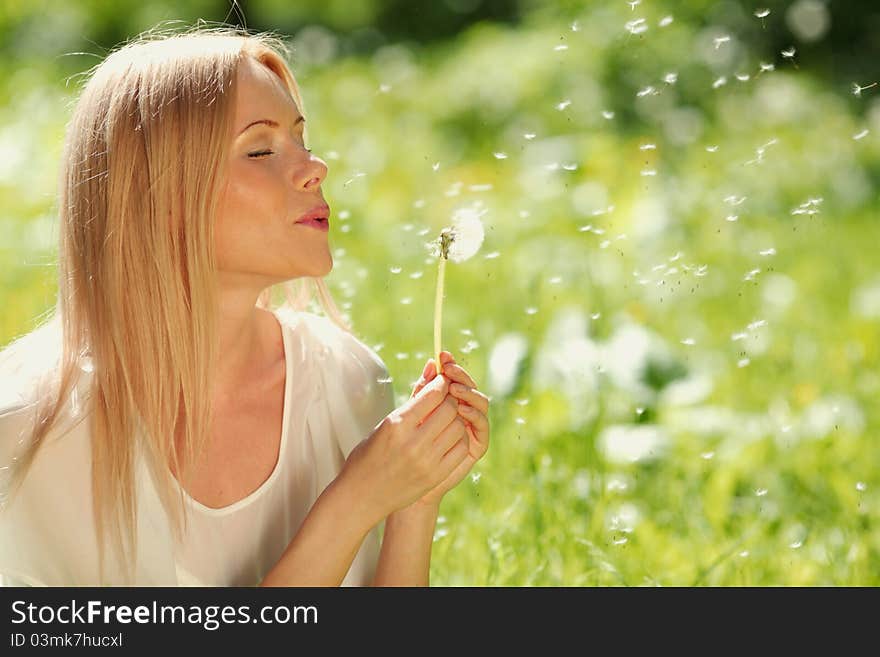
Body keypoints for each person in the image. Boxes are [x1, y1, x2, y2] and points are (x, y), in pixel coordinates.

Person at [0, 25, 491, 586]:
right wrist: (354, 499)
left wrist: (413, 501)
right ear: (157, 197)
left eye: (302, 141)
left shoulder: (343, 383)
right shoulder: (30, 427)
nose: (316, 167)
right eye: (260, 149)